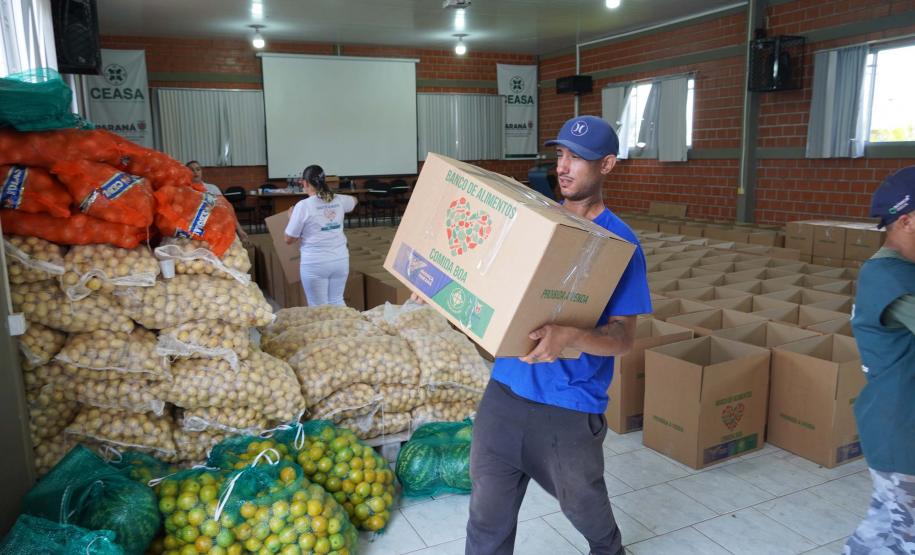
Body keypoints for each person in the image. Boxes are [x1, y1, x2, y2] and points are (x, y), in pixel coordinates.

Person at [465, 116, 652, 555]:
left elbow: (623, 339)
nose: (565, 167)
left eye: (579, 158)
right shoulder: (535, 224)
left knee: (586, 511)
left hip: (567, 408)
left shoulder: (620, 244)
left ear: (607, 165)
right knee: (485, 522)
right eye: (561, 155)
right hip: (504, 395)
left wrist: (568, 336)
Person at [845, 166, 915, 555]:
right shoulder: (887, 277)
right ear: (906, 220)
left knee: (883, 529)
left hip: (899, 426)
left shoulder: (904, 271)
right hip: (901, 432)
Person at [284, 164, 357, 306]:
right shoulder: (338, 199)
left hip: (315, 263)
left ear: (304, 183)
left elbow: (289, 239)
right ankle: (344, 327)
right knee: (337, 300)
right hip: (340, 260)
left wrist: (291, 218)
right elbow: (354, 201)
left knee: (318, 307)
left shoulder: (303, 206)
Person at [186, 160, 248, 242]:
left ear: (201, 171)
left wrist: (239, 230)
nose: (195, 172)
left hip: (216, 230)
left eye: (198, 169)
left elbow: (227, 208)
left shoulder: (212, 188)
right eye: (191, 170)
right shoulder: (185, 191)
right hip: (192, 234)